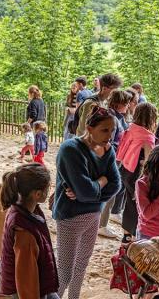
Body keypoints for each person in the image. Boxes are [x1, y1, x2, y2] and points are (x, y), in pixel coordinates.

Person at [51, 106, 121, 299]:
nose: (110, 135)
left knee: (81, 265)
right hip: (70, 218)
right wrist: (101, 180)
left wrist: (92, 189)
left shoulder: (108, 150)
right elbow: (85, 190)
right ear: (89, 129)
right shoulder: (71, 150)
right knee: (64, 273)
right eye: (104, 130)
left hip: (93, 216)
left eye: (112, 130)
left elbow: (116, 185)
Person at [0, 163, 59, 299]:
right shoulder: (25, 235)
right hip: (29, 291)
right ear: (37, 194)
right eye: (48, 188)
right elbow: (26, 282)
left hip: (40, 284)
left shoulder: (25, 208)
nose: (49, 191)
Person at [115, 103, 158, 242]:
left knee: (129, 202)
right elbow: (149, 161)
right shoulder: (147, 136)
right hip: (137, 175)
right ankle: (136, 236)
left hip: (125, 170)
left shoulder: (131, 129)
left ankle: (127, 235)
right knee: (140, 205)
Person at [97, 90, 132, 238]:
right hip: (111, 158)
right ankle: (101, 225)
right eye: (127, 103)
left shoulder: (118, 117)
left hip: (115, 157)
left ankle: (101, 223)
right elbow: (108, 141)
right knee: (110, 191)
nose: (129, 106)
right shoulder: (112, 118)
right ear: (120, 103)